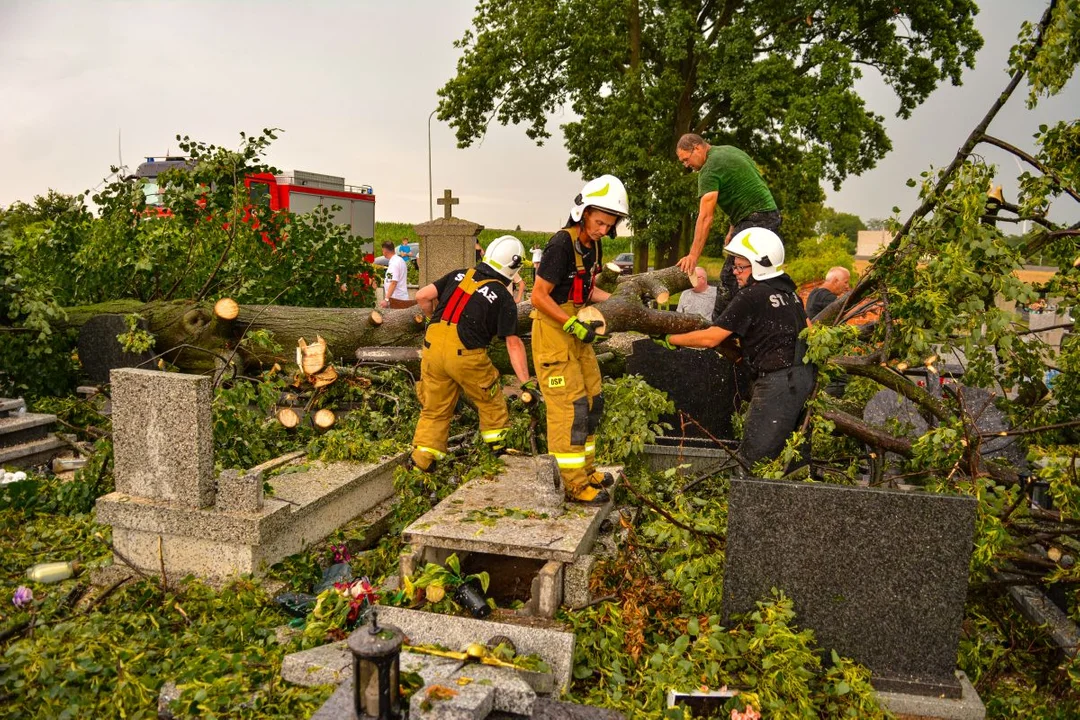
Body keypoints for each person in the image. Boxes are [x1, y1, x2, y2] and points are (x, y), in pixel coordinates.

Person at [656, 228, 814, 470]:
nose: (734, 271)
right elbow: (809, 329)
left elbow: (711, 338)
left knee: (754, 458)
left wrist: (671, 338)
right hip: (804, 377)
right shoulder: (788, 292)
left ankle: (748, 503)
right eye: (735, 266)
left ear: (760, 266)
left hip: (778, 383)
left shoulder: (751, 296)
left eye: (741, 266)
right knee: (793, 456)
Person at [530, 175, 628, 504]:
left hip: (575, 330)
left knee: (592, 398)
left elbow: (586, 291)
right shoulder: (560, 245)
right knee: (569, 408)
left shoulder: (593, 245)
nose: (603, 229)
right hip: (554, 330)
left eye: (609, 224)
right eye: (599, 222)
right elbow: (538, 296)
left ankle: (587, 469)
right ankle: (572, 484)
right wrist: (572, 324)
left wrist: (617, 304)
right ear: (583, 213)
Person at [407, 235, 538, 472]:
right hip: (466, 355)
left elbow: (422, 296)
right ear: (514, 265)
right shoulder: (503, 297)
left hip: (432, 350)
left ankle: (421, 463)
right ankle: (500, 452)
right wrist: (525, 382)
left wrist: (431, 319)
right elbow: (513, 343)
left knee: (434, 408)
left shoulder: (459, 274)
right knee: (491, 400)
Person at [674, 134, 780, 304]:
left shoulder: (709, 169)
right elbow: (744, 190)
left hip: (755, 220)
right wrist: (733, 228)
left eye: (686, 159)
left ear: (697, 148)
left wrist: (693, 256)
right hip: (768, 216)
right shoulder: (729, 151)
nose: (686, 165)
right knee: (757, 275)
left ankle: (720, 326)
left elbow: (706, 217)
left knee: (731, 277)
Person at [380, 241, 415, 309]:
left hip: (397, 300)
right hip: (398, 299)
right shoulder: (399, 260)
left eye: (382, 251)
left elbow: (393, 282)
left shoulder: (394, 263)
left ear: (384, 251)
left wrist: (386, 299)